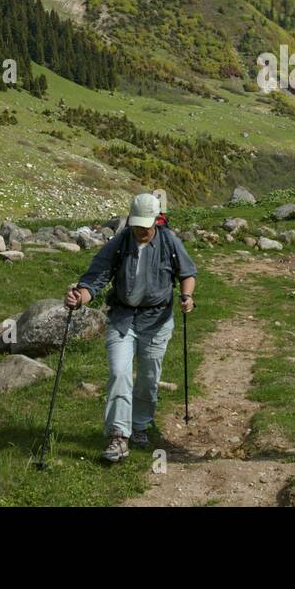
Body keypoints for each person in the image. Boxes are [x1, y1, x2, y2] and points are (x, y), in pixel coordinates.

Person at [66, 192, 197, 463]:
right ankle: (118, 436)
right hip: (122, 319)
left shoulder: (169, 242)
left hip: (157, 321)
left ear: (156, 221)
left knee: (148, 377)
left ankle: (140, 425)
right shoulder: (119, 243)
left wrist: (187, 297)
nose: (141, 231)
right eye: (137, 225)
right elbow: (96, 278)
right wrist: (80, 297)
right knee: (118, 373)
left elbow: (187, 273)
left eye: (146, 226)